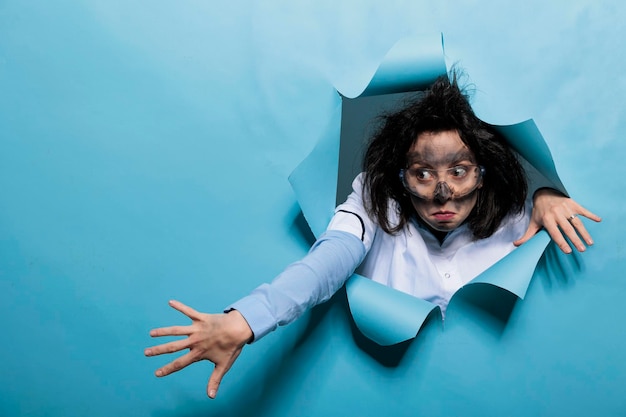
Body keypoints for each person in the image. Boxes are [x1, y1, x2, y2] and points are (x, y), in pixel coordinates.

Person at [144, 73, 601, 399]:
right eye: (423, 173)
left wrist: (546, 192)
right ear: (400, 177)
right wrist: (246, 320)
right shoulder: (372, 204)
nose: (443, 194)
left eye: (459, 171)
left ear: (483, 173)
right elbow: (329, 259)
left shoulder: (515, 211)